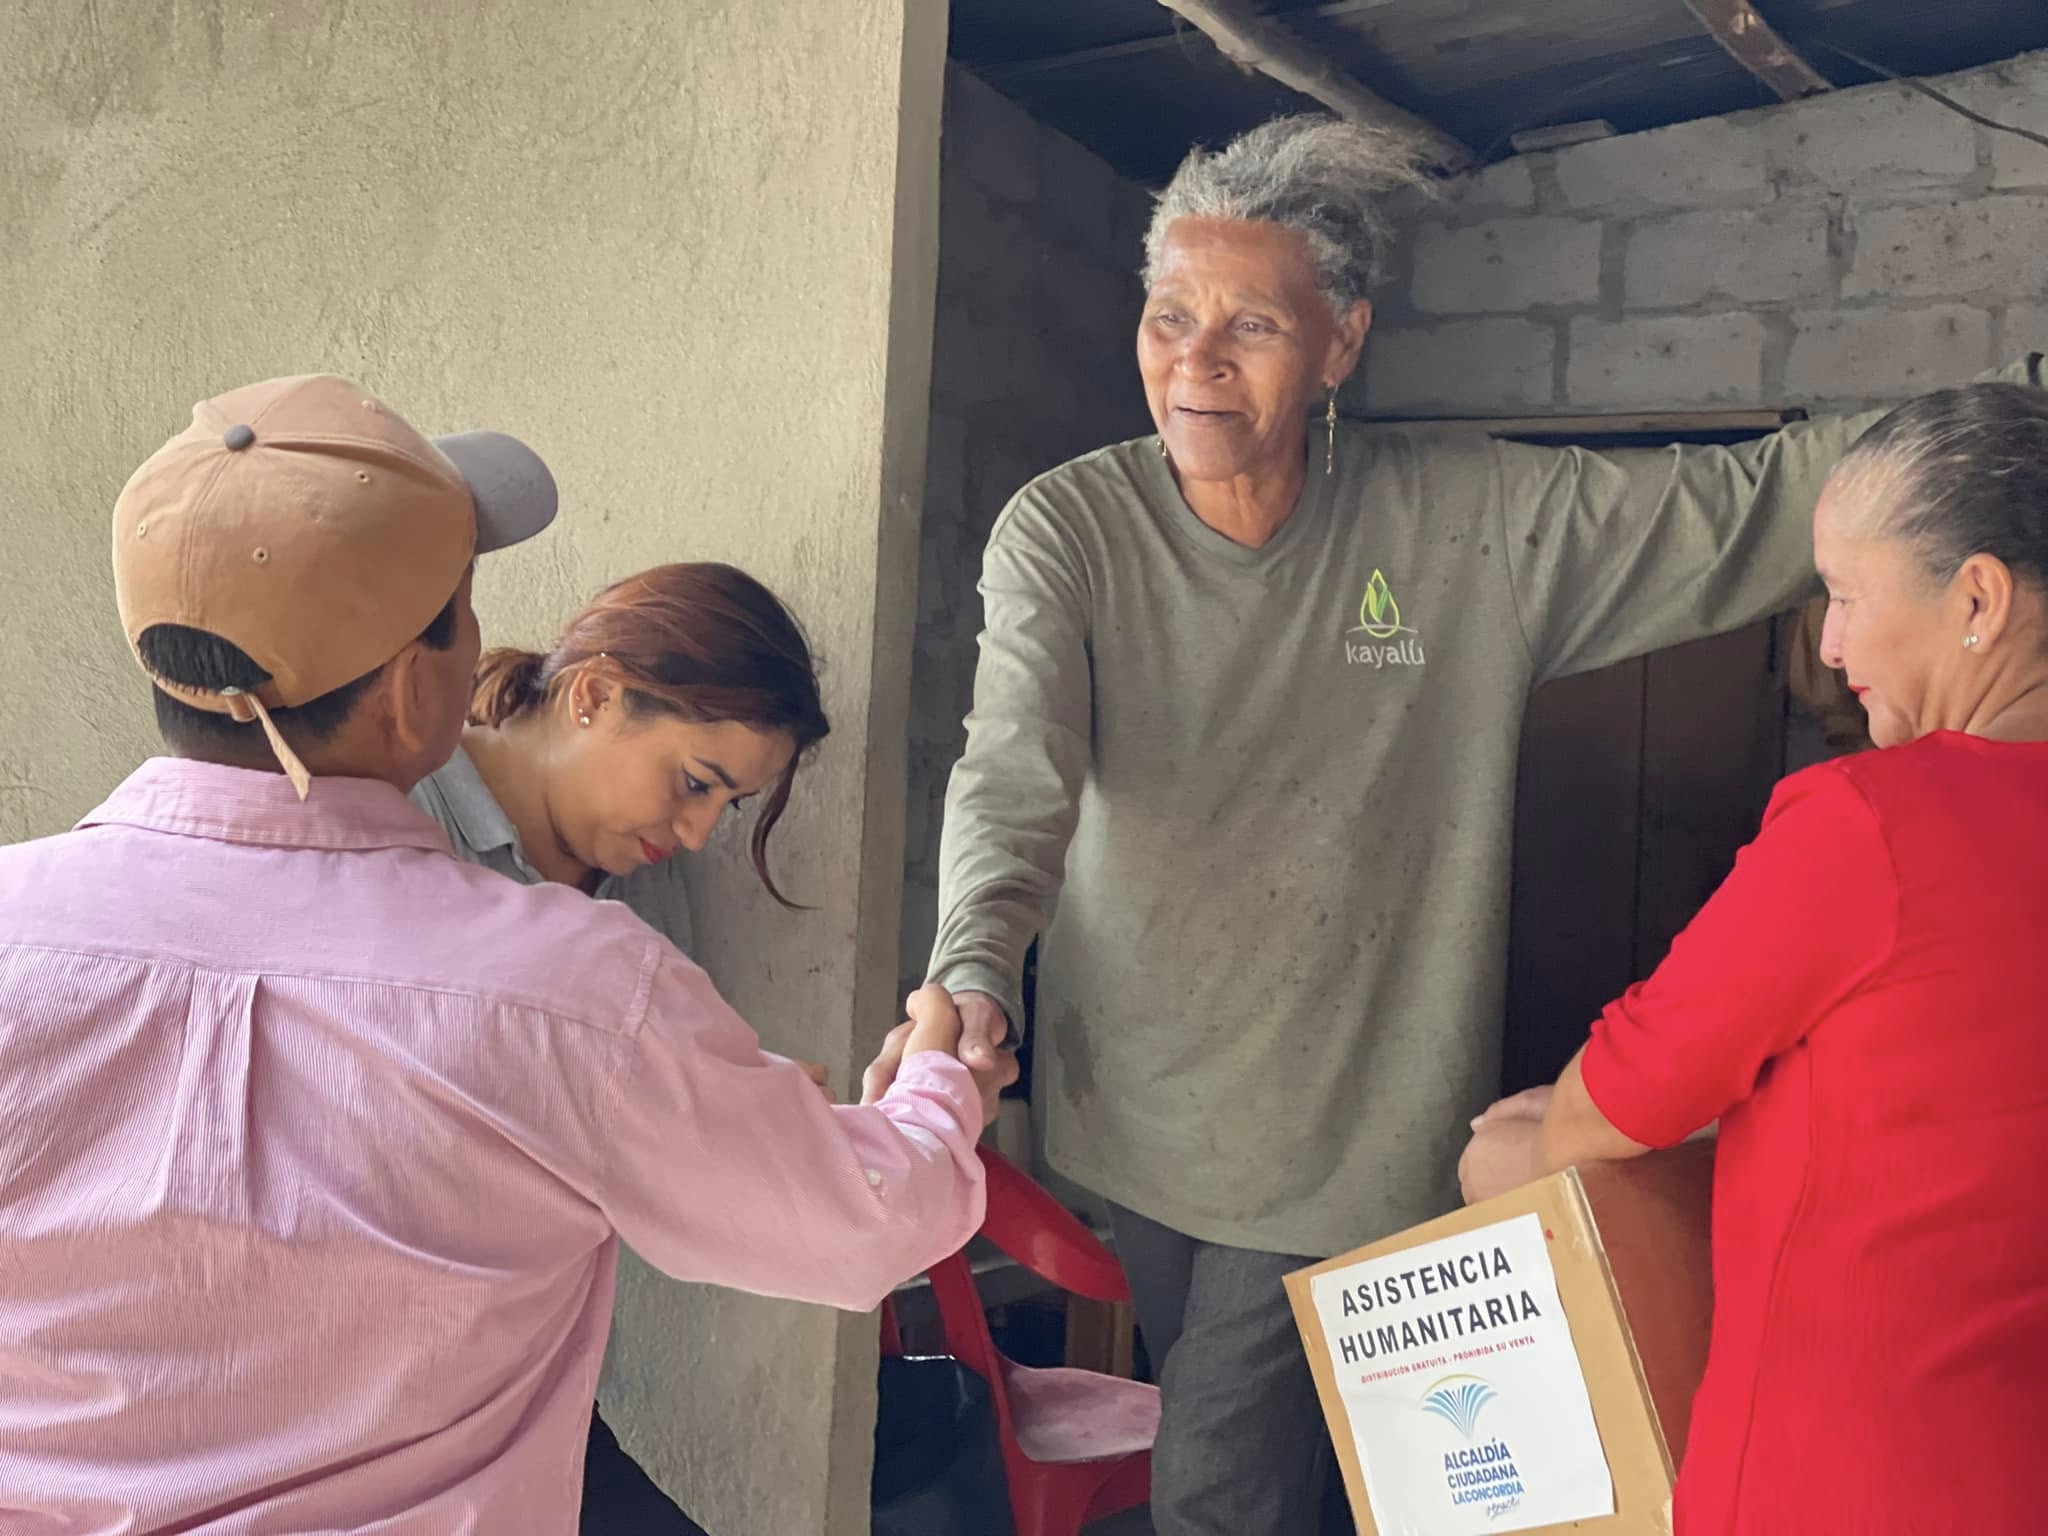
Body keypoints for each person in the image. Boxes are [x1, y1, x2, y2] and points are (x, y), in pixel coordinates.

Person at [879, 111, 2046, 1535]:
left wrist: (2017, 421)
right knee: (1274, 1445)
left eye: (1252, 324)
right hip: (1138, 1107)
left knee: (1219, 1487)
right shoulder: (1069, 529)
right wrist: (973, 967)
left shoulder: (1473, 516)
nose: (1196, 361)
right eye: (1170, 315)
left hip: (1356, 1126)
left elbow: (1747, 501)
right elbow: (1014, 766)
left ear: (1341, 344)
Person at [0, 374, 992, 1533]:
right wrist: (939, 1084)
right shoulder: (575, 986)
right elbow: (861, 1219)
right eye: (462, 606)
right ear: (415, 684)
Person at [1458, 382, 2048, 1533]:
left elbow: (1607, 1108)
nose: (1825, 645)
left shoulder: (1870, 826)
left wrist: (1508, 1153)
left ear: (1975, 597)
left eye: (1843, 595)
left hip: (1842, 1481)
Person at [408, 561, 834, 1535]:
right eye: (695, 783)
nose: (697, 832)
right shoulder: (399, 809)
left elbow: (635, 1133)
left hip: (525, 1380)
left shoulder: (644, 885)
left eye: (727, 805)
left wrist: (743, 1122)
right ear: (594, 695)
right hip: (362, 1381)